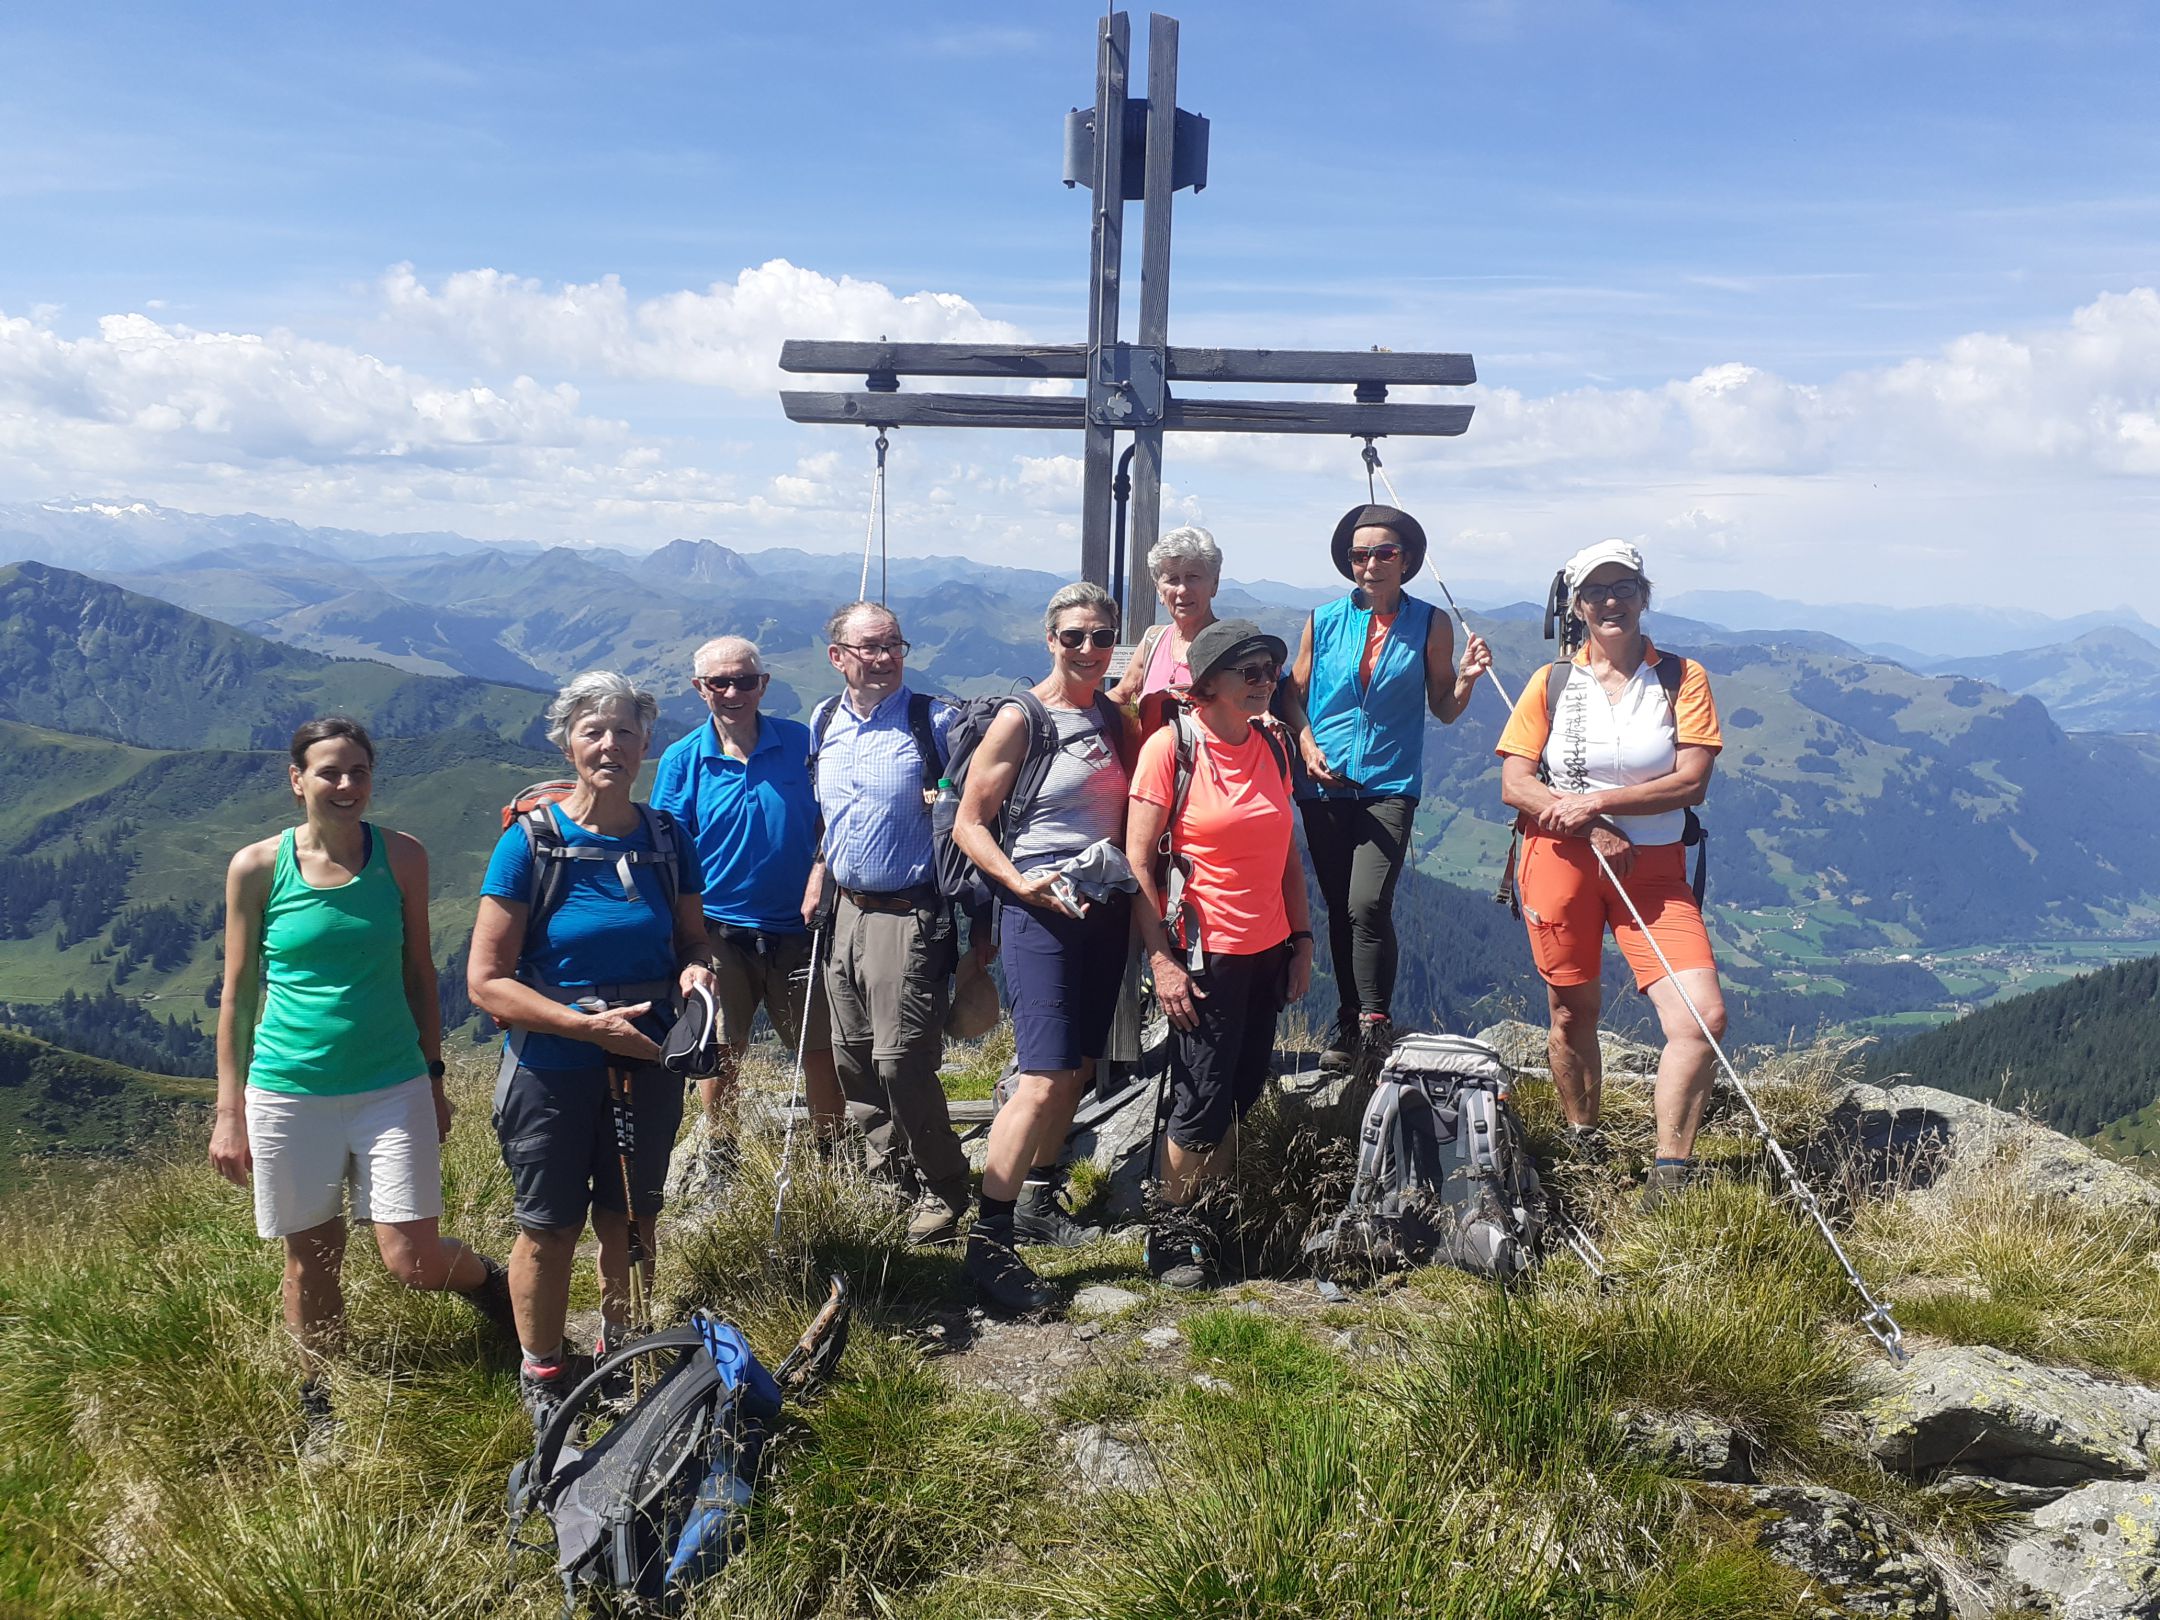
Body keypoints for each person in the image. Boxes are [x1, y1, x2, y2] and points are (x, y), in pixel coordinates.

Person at [212, 717, 514, 1444]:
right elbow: (239, 992)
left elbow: (418, 973)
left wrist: (435, 1076)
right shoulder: (256, 867)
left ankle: (495, 1288)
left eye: (358, 772)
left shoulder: (403, 857)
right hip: (288, 1088)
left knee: (411, 1258)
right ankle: (323, 1398)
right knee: (311, 1260)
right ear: (297, 781)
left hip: (392, 1083)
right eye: (328, 772)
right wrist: (229, 1109)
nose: (345, 786)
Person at [467, 672, 716, 1431]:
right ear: (568, 742)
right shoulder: (531, 843)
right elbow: (486, 982)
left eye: (625, 731)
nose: (610, 745)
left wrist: (697, 970)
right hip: (552, 1065)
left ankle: (622, 1348)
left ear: (647, 743)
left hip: (645, 1062)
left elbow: (692, 936)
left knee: (632, 1218)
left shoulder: (667, 838)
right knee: (547, 1227)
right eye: (593, 731)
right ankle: (544, 1371)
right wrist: (584, 1028)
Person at [1494, 540, 1727, 1210]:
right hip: (1559, 860)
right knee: (1572, 1009)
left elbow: (1692, 782)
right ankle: (1581, 1137)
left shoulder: (1683, 678)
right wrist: (1588, 824)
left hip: (1653, 868)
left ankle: (1670, 1174)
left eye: (1623, 587)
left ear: (1644, 594)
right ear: (1578, 606)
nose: (1611, 601)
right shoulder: (1551, 682)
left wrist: (1599, 803)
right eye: (1596, 592)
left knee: (1701, 1017)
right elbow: (1515, 782)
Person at [951, 582, 1131, 1313]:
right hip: (1039, 915)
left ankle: (1037, 1200)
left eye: (1102, 635)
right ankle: (988, 1243)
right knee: (1043, 1076)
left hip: (1102, 907)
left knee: (1080, 1067)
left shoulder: (1112, 715)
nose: (1090, 649)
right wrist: (1019, 888)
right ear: (1049, 640)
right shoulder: (1021, 719)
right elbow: (970, 821)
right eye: (1074, 637)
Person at [1126, 619, 1314, 1290]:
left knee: (1239, 1089)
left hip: (1265, 950)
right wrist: (1161, 959)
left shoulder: (1272, 745)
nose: (1267, 683)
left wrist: (1302, 941)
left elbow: (1286, 854)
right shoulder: (1169, 750)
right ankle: (1172, 1229)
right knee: (1202, 1095)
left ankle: (1215, 1213)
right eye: (1251, 673)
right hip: (1204, 953)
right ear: (1207, 685)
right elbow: (1137, 863)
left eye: (1270, 671)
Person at [1280, 504, 1491, 1072]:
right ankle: (1350, 1025)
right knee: (1340, 909)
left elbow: (1444, 708)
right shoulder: (1322, 620)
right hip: (1322, 784)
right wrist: (1304, 744)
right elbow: (1290, 695)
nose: (1370, 563)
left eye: (1383, 552)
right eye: (1359, 554)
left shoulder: (1429, 623)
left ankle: (1374, 1022)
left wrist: (1467, 679)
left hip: (1390, 783)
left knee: (1368, 902)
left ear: (1407, 560)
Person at [805, 602, 975, 1247]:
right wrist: (821, 869)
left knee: (900, 1059)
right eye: (869, 647)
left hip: (909, 909)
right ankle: (888, 1175)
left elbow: (982, 797)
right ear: (838, 656)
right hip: (845, 907)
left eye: (894, 645)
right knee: (852, 1058)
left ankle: (945, 1183)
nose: (884, 658)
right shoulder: (824, 721)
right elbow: (835, 814)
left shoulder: (934, 720)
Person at [651, 636, 843, 1168]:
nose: (733, 691)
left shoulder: (802, 742)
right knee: (719, 1046)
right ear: (699, 689)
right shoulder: (683, 760)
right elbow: (668, 850)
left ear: (764, 685)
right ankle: (721, 1149)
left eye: (745, 680)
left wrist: (822, 864)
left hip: (800, 928)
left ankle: (831, 1151)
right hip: (717, 932)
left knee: (817, 1046)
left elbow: (833, 815)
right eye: (720, 682)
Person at [1107, 525, 1223, 732]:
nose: (1182, 590)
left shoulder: (1230, 647)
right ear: (1159, 590)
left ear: (1214, 584)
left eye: (1193, 577)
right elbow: (1121, 694)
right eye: (1172, 579)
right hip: (1149, 763)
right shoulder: (1153, 640)